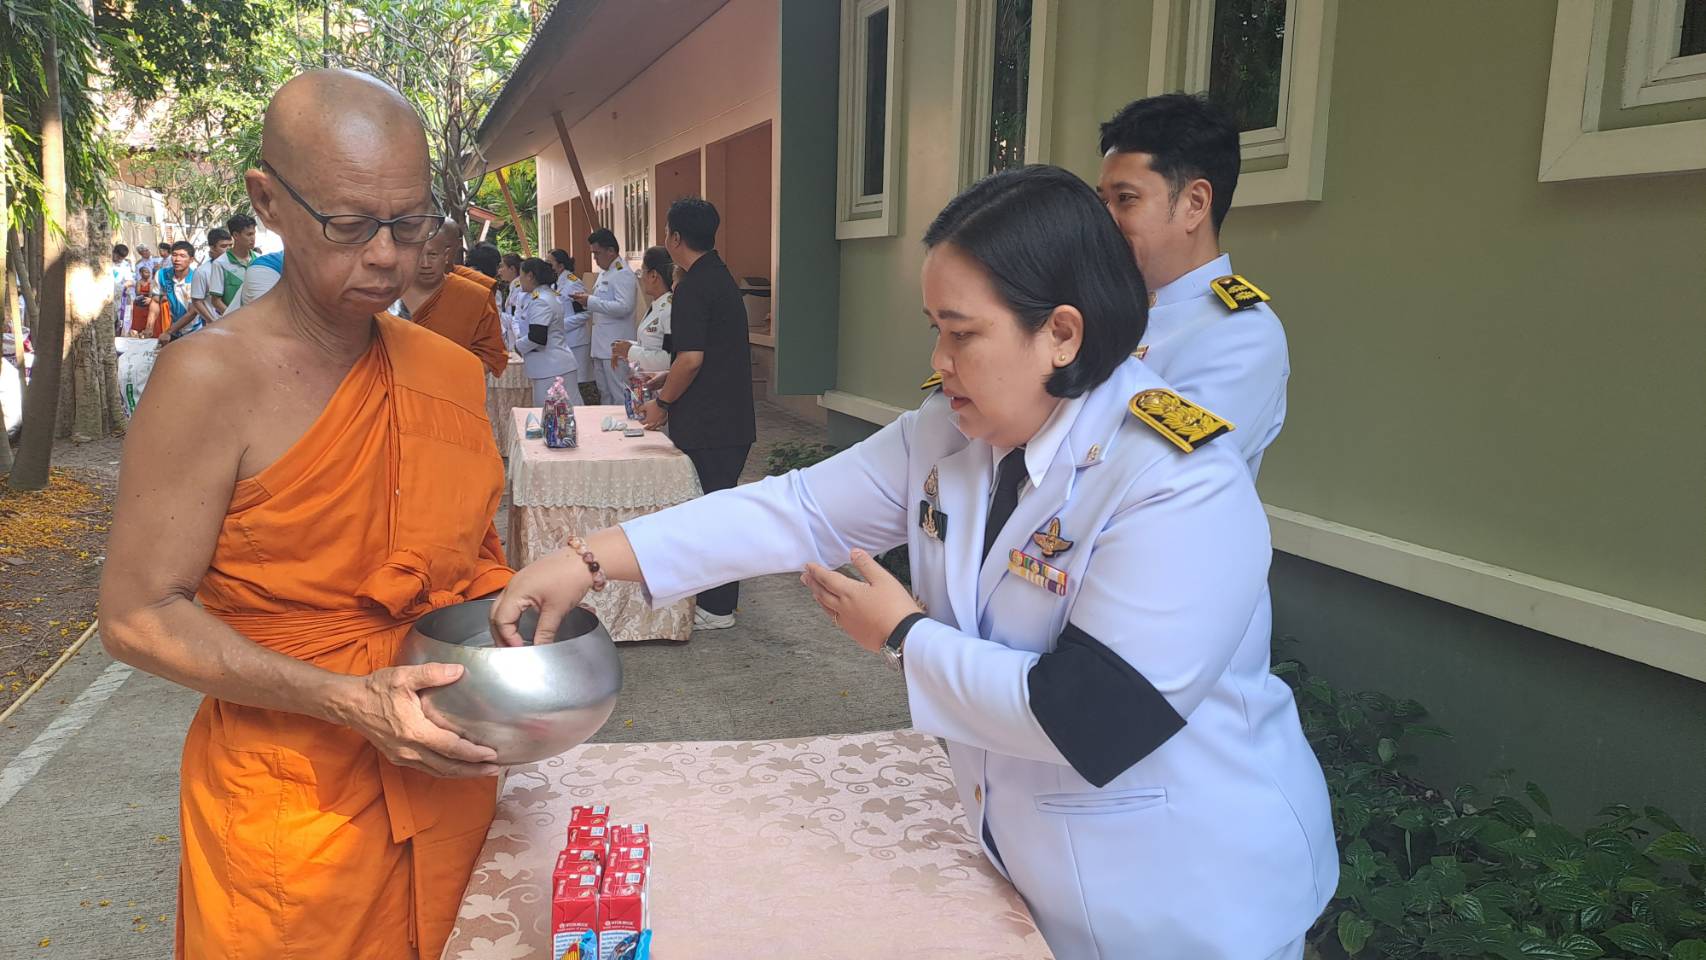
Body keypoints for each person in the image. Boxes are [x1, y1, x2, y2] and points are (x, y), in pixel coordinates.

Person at [493, 167, 1336, 959]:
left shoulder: (1177, 479)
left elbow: (1097, 716)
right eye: (935, 329)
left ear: (1061, 334)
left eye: (962, 335)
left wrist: (903, 633)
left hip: (1182, 898)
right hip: (1034, 864)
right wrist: (594, 558)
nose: (938, 362)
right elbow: (797, 508)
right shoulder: (952, 433)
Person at [98, 68, 510, 960]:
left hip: (447, 764)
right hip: (291, 799)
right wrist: (347, 699)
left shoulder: (445, 372)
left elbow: (471, 560)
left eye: (409, 224)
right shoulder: (208, 380)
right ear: (267, 201)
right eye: (352, 225)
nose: (388, 258)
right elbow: (136, 618)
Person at [1097, 93, 1288, 478]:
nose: (1104, 220)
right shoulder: (1099, 307)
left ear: (1195, 204)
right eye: (1102, 201)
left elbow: (1155, 473)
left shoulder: (1243, 335)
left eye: (1126, 199)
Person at [636, 198, 756, 631]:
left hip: (713, 423)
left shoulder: (692, 286)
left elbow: (692, 360)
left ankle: (719, 607)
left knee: (714, 514)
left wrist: (662, 403)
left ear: (674, 238)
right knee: (714, 509)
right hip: (724, 419)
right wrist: (665, 381)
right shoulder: (716, 278)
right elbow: (698, 359)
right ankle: (714, 598)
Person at [395, 220, 508, 377]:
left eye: (432, 254)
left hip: (452, 391)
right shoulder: (384, 294)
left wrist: (450, 378)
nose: (425, 264)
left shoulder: (473, 296)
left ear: (447, 255)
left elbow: (491, 354)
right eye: (418, 255)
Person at [569, 230, 635, 405]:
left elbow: (624, 307)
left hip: (615, 345)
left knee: (619, 393)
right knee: (605, 393)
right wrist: (585, 300)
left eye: (597, 253)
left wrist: (590, 301)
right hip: (601, 345)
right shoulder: (606, 273)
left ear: (611, 251)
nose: (595, 259)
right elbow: (602, 303)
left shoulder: (622, 273)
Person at [513, 256, 575, 404]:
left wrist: (517, 346)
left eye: (521, 275)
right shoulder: (545, 295)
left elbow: (538, 337)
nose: (519, 280)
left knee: (555, 416)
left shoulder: (541, 300)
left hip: (552, 369)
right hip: (550, 367)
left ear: (530, 276)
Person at [611, 245, 673, 376]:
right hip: (647, 382)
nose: (641, 277)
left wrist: (630, 351)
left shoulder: (669, 309)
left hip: (663, 387)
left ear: (653, 275)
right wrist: (628, 346)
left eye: (642, 271)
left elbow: (670, 358)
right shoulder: (657, 305)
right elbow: (652, 345)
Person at [549, 248, 595, 402]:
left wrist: (563, 324)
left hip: (577, 341)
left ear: (560, 266)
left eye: (550, 263)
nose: (548, 266)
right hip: (564, 341)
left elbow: (585, 313)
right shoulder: (556, 283)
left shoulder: (573, 284)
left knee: (579, 384)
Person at [203, 212, 260, 317]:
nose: (253, 238)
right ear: (236, 235)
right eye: (249, 234)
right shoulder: (220, 264)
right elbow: (216, 301)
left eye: (254, 233)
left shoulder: (260, 259)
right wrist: (235, 318)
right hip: (235, 324)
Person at [188, 227, 232, 330]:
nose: (228, 249)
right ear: (212, 248)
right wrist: (212, 322)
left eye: (231, 245)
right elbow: (197, 301)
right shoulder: (202, 271)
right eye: (224, 246)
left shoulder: (237, 267)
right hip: (217, 327)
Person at [155, 240, 199, 342]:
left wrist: (168, 332)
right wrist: (149, 326)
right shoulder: (162, 274)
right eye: (174, 255)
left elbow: (193, 312)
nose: (177, 259)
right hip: (174, 330)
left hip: (195, 331)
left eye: (182, 256)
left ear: (191, 259)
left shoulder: (197, 278)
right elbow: (155, 300)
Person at [111, 244, 136, 336]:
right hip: (107, 296)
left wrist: (123, 286)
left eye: (121, 258)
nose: (118, 259)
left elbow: (130, 281)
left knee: (120, 321)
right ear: (113, 252)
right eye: (117, 256)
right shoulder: (106, 261)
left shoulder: (125, 265)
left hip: (120, 297)